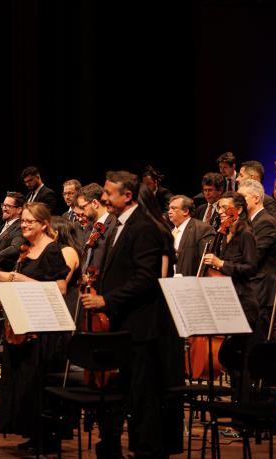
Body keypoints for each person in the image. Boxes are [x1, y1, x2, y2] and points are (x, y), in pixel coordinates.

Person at [79, 171, 170, 458]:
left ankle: (146, 451)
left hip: (139, 326)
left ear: (127, 196)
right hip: (121, 324)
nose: (103, 198)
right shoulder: (117, 225)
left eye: (108, 193)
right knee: (122, 392)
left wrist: (106, 299)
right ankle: (113, 446)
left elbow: (146, 278)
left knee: (142, 396)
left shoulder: (144, 227)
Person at [0, 202, 72, 451]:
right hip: (24, 323)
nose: (24, 225)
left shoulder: (52, 250)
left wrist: (18, 278)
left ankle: (48, 439)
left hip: (45, 328)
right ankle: (33, 433)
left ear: (44, 224)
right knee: (25, 381)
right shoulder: (27, 249)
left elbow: (60, 288)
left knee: (39, 381)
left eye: (29, 221)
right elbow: (13, 276)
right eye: (23, 220)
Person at [203, 192, 260, 397]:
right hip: (227, 301)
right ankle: (238, 407)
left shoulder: (245, 234)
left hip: (243, 302)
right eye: (219, 208)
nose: (221, 212)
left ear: (240, 210)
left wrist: (221, 264)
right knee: (231, 358)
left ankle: (244, 411)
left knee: (239, 360)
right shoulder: (223, 234)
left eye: (225, 207)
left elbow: (251, 267)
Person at [237, 179, 276, 338]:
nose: (238, 203)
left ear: (256, 198)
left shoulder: (265, 222)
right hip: (252, 291)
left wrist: (223, 263)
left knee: (258, 347)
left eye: (242, 197)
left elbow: (252, 258)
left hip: (261, 293)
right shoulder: (250, 222)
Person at [167, 195, 215, 277]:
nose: (169, 211)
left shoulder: (202, 229)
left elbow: (204, 264)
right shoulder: (169, 231)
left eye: (174, 208)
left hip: (190, 282)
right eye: (169, 208)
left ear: (185, 211)